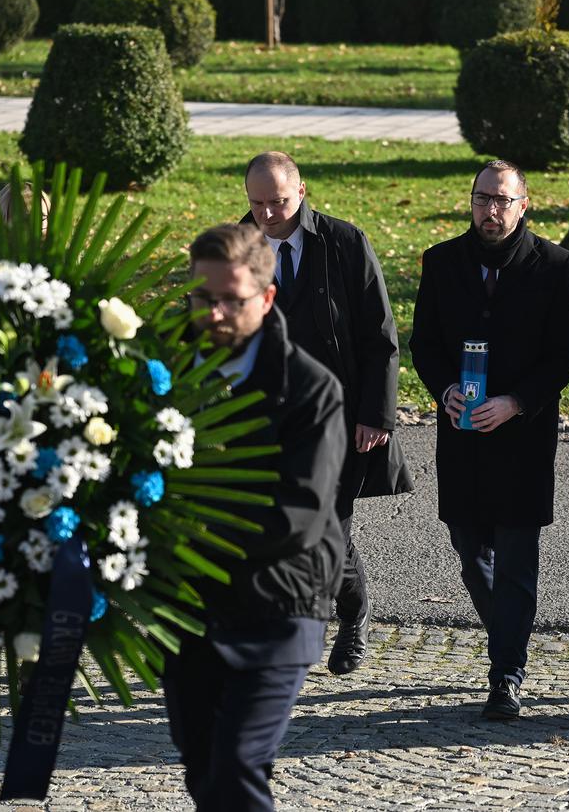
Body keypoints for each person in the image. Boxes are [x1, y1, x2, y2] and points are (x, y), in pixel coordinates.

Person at [164, 223, 346, 810]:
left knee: (237, 765)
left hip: (279, 602)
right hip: (191, 606)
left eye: (231, 301)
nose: (214, 313)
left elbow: (299, 514)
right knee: (202, 767)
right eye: (202, 298)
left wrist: (181, 531)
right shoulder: (163, 374)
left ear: (266, 299)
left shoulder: (309, 389)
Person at [409, 159, 569, 719]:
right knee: (469, 552)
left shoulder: (556, 266)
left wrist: (516, 402)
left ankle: (505, 672)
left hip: (522, 440)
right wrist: (444, 389)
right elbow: (425, 344)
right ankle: (510, 633)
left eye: (503, 200)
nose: (491, 210)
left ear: (523, 205)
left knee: (515, 561)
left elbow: (565, 355)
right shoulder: (441, 262)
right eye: (483, 198)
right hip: (461, 434)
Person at [240, 151, 412, 676]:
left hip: (336, 420)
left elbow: (379, 336)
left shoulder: (343, 243)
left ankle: (352, 610)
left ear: (303, 190)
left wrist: (376, 415)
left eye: (279, 202)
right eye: (257, 204)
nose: (268, 214)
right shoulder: (235, 247)